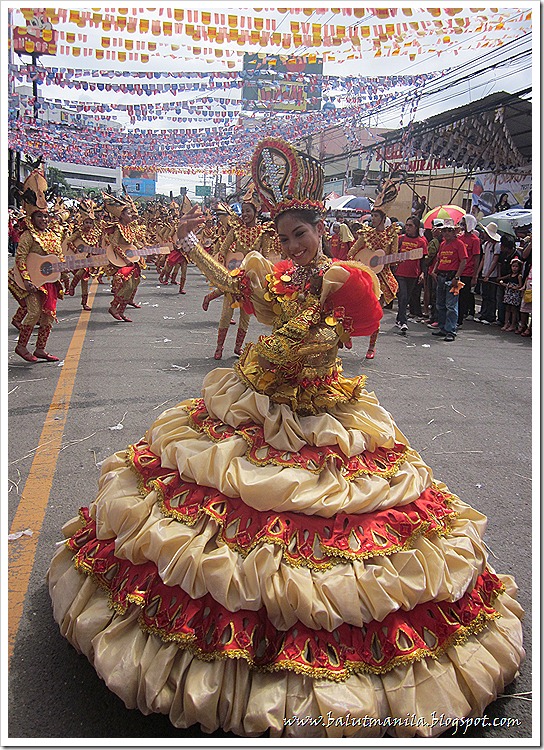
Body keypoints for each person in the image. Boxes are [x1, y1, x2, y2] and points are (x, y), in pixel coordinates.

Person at [48, 137, 523, 739]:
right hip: (259, 403)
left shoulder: (344, 280)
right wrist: (191, 244)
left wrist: (313, 335)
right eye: (284, 238)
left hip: (318, 413)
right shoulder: (280, 278)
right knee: (215, 509)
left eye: (301, 234)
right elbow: (235, 287)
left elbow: (346, 332)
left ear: (320, 229)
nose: (293, 246)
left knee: (337, 527)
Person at [202, 184, 280, 359]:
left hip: (251, 278)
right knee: (227, 313)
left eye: (248, 211)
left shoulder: (264, 232)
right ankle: (219, 347)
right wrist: (223, 265)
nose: (244, 214)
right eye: (243, 211)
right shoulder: (236, 230)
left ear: (256, 211)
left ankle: (238, 347)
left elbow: (266, 255)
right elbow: (223, 249)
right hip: (235, 275)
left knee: (246, 315)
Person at [8, 166, 65, 362]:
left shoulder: (53, 235)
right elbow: (20, 257)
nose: (43, 219)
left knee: (48, 316)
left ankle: (40, 349)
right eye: (39, 216)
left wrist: (64, 267)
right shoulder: (28, 235)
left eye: (45, 216)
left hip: (48, 280)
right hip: (29, 280)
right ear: (32, 217)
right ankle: (21, 346)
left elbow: (58, 257)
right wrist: (27, 280)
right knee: (33, 313)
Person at [348, 206, 400, 359]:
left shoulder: (392, 235)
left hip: (382, 278)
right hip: (366, 275)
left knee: (376, 314)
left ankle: (371, 347)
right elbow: (351, 252)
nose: (373, 218)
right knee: (354, 307)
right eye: (372, 215)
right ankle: (347, 334)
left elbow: (394, 258)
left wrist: (386, 261)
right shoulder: (366, 234)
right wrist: (361, 263)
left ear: (383, 218)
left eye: (376, 216)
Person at [102, 191, 148, 322]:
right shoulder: (118, 228)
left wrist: (141, 248)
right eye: (129, 213)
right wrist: (125, 258)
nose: (131, 215)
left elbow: (132, 243)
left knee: (133, 285)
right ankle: (113, 307)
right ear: (122, 215)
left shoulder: (130, 228)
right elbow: (114, 244)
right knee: (127, 286)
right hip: (122, 261)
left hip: (131, 260)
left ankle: (121, 311)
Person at [429, 218, 468, 341]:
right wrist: (434, 271)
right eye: (444, 230)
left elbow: (463, 261)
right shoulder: (442, 244)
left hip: (452, 277)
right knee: (440, 304)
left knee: (451, 306)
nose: (446, 233)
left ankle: (451, 330)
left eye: (449, 230)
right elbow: (439, 259)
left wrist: (457, 277)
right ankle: (443, 328)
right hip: (441, 276)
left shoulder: (459, 244)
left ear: (454, 232)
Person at [65, 199, 104, 311]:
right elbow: (69, 241)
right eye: (86, 222)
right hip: (79, 259)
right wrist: (76, 250)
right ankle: (72, 285)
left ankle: (84, 303)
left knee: (85, 281)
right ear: (82, 223)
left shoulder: (95, 233)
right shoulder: (79, 232)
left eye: (90, 223)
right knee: (83, 271)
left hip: (90, 259)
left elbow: (96, 245)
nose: (88, 225)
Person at [394, 216, 427, 332]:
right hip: (400, 273)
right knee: (402, 297)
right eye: (406, 225)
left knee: (406, 298)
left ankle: (399, 318)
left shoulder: (421, 242)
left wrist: (423, 273)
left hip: (413, 274)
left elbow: (423, 260)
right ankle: (403, 322)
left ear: (416, 227)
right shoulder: (400, 239)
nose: (407, 228)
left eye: (410, 225)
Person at [456, 214, 481, 326]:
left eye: (465, 223)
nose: (463, 225)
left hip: (468, 273)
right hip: (458, 272)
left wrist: (475, 276)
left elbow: (476, 258)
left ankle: (460, 319)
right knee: (455, 295)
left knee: (463, 297)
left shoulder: (475, 240)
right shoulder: (459, 238)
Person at [476, 222, 501, 324]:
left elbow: (495, 261)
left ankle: (490, 316)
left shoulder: (497, 245)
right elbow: (483, 259)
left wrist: (488, 274)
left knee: (491, 296)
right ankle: (483, 313)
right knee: (484, 295)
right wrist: (479, 272)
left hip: (492, 274)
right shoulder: (486, 244)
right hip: (485, 272)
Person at [498, 258, 523, 332]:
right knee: (507, 309)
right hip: (508, 293)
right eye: (513, 266)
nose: (514, 268)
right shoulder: (510, 275)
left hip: (514, 294)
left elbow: (520, 285)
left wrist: (515, 287)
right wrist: (502, 283)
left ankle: (513, 324)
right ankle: (506, 323)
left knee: (513, 309)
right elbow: (503, 279)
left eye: (516, 266)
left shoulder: (519, 276)